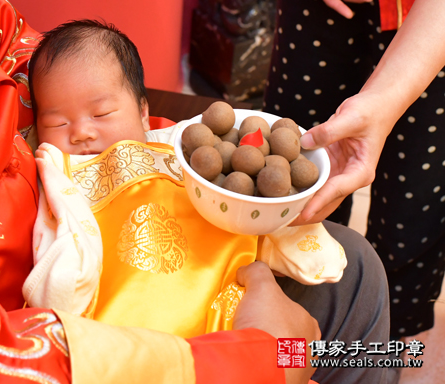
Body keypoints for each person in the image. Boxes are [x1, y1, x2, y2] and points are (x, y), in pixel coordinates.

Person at [23, 20, 388, 384]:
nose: (81, 132)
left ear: (143, 114)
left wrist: (296, 246)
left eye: (101, 114)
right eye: (57, 123)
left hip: (223, 309)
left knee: (358, 265)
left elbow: (245, 203)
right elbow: (55, 254)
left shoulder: (181, 151)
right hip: (127, 337)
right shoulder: (59, 178)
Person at [263, 0, 445, 340]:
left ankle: (385, 341)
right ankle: (288, 324)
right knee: (299, 176)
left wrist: (382, 101)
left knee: (412, 210)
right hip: (318, 12)